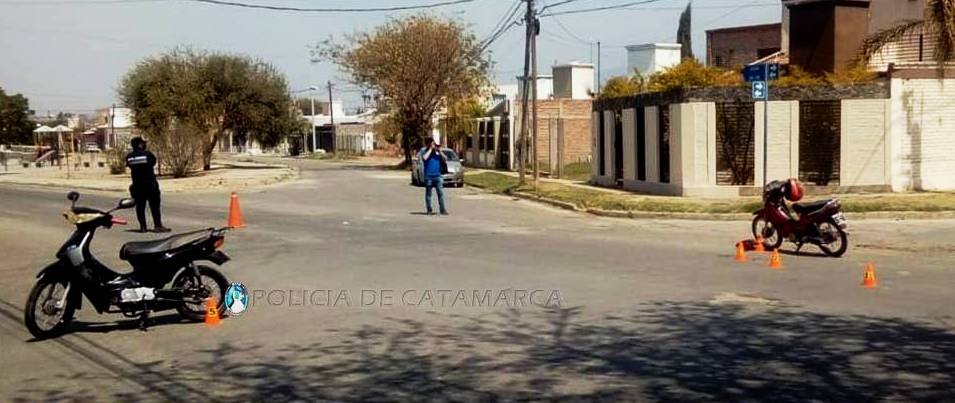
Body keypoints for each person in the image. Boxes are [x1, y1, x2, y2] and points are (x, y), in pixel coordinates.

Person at [126, 137, 170, 233]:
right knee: (154, 206)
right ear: (140, 144)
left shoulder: (129, 157)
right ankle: (157, 226)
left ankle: (143, 227)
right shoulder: (147, 154)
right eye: (143, 143)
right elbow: (153, 162)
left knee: (140, 207)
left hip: (137, 186)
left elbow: (129, 166)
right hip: (150, 184)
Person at [418, 138, 449, 215]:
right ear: (428, 144)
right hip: (428, 177)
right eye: (432, 144)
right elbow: (424, 158)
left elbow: (445, 159)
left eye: (433, 144)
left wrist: (440, 151)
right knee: (428, 194)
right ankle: (429, 209)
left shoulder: (437, 152)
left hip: (437, 176)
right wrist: (430, 150)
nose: (433, 145)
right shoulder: (424, 151)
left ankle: (442, 209)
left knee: (440, 193)